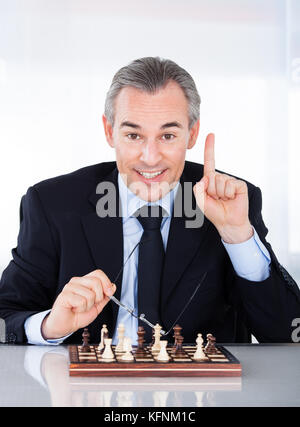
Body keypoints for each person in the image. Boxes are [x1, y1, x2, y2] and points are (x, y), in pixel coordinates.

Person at [0, 57, 299, 346]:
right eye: (133, 135)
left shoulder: (232, 200)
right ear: (109, 131)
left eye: (167, 135)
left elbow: (289, 334)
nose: (151, 157)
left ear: (191, 134)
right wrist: (50, 325)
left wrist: (237, 236)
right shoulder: (51, 204)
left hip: (201, 395)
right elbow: (5, 320)